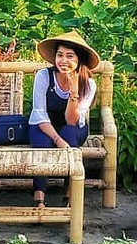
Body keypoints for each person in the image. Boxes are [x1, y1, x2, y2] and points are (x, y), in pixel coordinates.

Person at [29, 30, 99, 207]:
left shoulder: (88, 84)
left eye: (70, 56)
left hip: (71, 127)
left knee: (69, 133)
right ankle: (39, 198)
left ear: (79, 59)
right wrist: (56, 139)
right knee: (43, 144)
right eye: (60, 55)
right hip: (45, 125)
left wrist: (73, 92)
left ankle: (70, 194)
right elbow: (39, 113)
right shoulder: (44, 76)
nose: (63, 61)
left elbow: (71, 121)